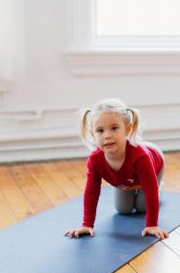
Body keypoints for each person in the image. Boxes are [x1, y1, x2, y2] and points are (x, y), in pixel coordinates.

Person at [65, 98, 168, 240]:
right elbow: (91, 191)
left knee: (142, 208)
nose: (107, 135)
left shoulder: (141, 157)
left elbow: (150, 191)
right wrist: (87, 224)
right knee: (123, 210)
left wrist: (152, 225)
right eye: (100, 130)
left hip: (154, 163)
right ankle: (133, 186)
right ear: (92, 134)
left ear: (127, 129)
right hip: (125, 179)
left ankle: (160, 187)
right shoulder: (95, 160)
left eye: (114, 128)